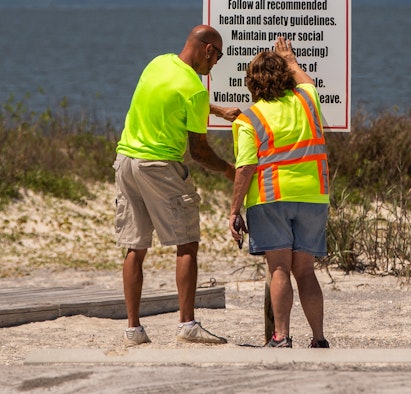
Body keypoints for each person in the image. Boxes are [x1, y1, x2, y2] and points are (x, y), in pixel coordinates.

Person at [115, 25, 241, 347]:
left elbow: (173, 99)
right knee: (187, 243)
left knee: (136, 247)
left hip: (126, 161)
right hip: (159, 166)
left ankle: (133, 330)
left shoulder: (158, 63)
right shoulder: (195, 89)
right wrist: (230, 171)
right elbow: (199, 152)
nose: (215, 66)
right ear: (208, 50)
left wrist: (216, 110)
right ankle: (186, 324)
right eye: (218, 58)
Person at [228, 36, 330, 349]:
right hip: (313, 196)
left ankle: (281, 337)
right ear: (284, 76)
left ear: (251, 83)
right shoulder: (307, 100)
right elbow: (306, 80)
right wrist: (291, 60)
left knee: (280, 269)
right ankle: (319, 338)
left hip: (271, 199)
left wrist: (234, 210)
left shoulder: (250, 118)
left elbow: (245, 168)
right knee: (306, 271)